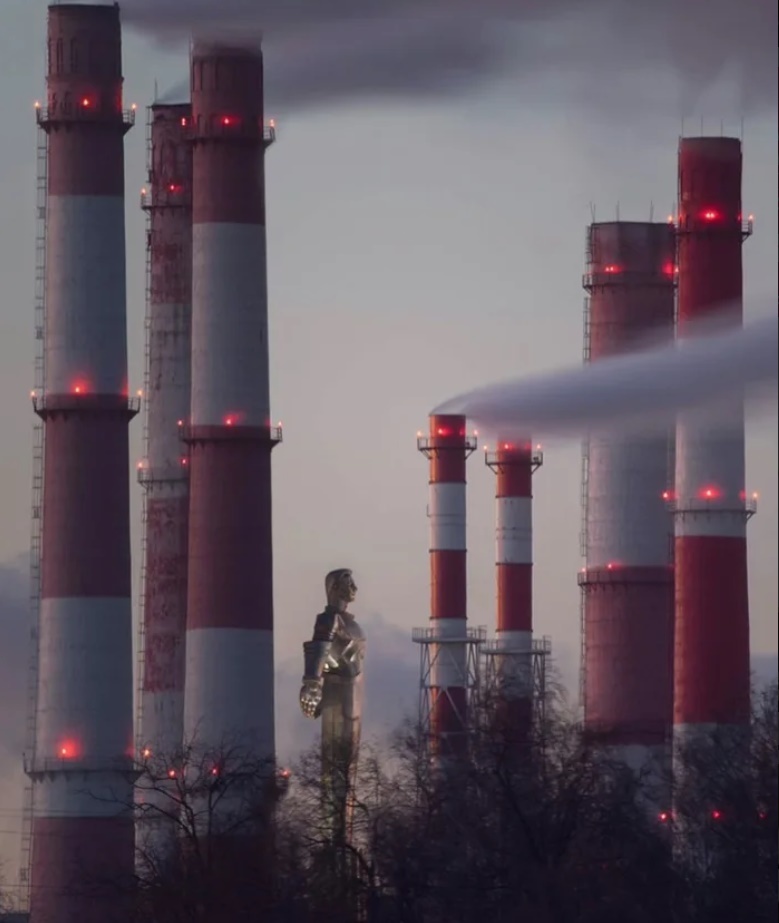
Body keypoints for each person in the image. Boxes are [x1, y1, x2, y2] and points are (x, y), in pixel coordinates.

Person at [299, 568, 365, 842]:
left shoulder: (348, 621)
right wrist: (312, 684)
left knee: (349, 766)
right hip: (337, 695)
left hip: (354, 698)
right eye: (349, 583)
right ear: (335, 587)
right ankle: (332, 841)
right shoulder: (329, 619)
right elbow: (319, 649)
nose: (355, 588)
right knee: (336, 766)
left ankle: (343, 838)